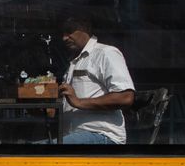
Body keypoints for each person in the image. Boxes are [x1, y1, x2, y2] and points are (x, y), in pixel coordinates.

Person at [58, 14, 135, 144]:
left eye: (70, 32)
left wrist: (78, 102)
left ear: (85, 29)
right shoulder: (74, 61)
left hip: (102, 135)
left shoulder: (105, 53)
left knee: (36, 153)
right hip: (74, 135)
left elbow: (125, 97)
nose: (64, 38)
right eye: (63, 33)